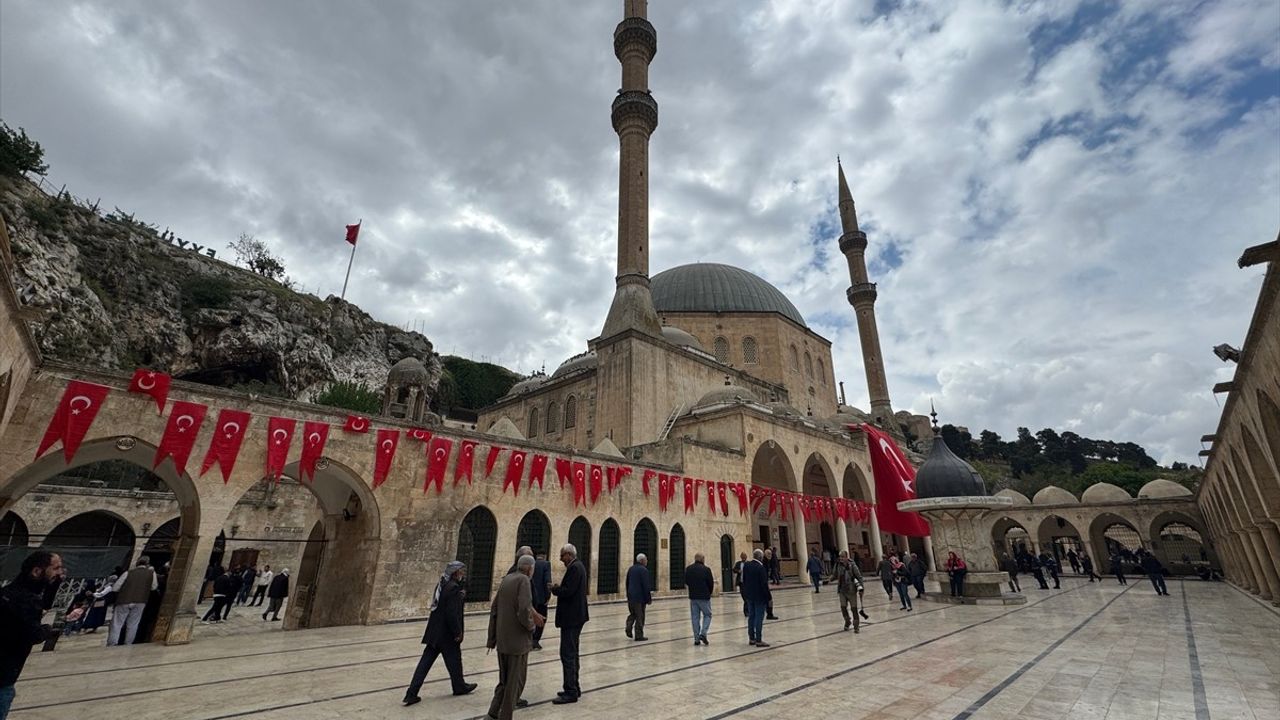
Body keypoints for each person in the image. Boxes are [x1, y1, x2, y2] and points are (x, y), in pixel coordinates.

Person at [403, 561, 477, 705]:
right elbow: (451, 613)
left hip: (435, 632)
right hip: (446, 634)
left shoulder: (442, 585)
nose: (463, 574)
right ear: (456, 573)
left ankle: (412, 692)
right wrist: (457, 631)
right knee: (454, 660)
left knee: (425, 663)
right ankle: (459, 686)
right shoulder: (453, 588)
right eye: (461, 571)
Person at [1, 551, 64, 718]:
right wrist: (47, 629)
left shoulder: (7, 591)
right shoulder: (28, 601)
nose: (59, 573)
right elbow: (34, 634)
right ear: (37, 571)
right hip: (4, 674)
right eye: (56, 568)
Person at [486, 555, 544, 720]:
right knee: (515, 682)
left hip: (503, 641)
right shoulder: (524, 581)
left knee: (504, 681)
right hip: (518, 643)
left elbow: (494, 609)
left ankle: (492, 712)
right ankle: (506, 716)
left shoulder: (507, 579)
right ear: (529, 568)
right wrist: (532, 626)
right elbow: (524, 609)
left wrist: (492, 638)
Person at [550, 544, 588, 705]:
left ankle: (570, 691)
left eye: (562, 555)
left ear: (569, 555)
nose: (560, 559)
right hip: (576, 617)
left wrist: (556, 589)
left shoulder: (575, 568)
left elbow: (569, 591)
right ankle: (574, 687)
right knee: (573, 652)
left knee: (567, 654)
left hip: (572, 618)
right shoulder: (578, 566)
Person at [108, 556, 157, 645]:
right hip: (141, 601)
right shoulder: (151, 573)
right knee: (133, 624)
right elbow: (154, 587)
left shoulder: (128, 573)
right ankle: (128, 643)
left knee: (117, 623)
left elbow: (115, 588)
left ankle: (112, 643)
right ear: (147, 564)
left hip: (124, 600)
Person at [741, 549, 772, 647]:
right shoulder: (761, 568)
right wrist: (769, 598)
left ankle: (751, 638)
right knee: (759, 617)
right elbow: (764, 584)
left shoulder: (747, 565)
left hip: (749, 596)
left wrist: (746, 593)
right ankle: (758, 639)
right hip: (759, 597)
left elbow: (744, 580)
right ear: (761, 557)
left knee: (751, 617)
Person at [684, 553, 716, 645]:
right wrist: (709, 593)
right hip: (704, 597)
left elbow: (686, 581)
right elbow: (710, 583)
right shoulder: (706, 569)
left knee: (695, 617)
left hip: (693, 596)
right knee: (708, 615)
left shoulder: (689, 569)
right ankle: (703, 633)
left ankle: (696, 639)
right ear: (702, 559)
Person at [832, 550, 864, 632]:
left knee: (854, 608)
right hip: (842, 590)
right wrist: (829, 579)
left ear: (846, 557)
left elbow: (859, 576)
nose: (841, 558)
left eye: (842, 557)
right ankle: (847, 621)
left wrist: (861, 588)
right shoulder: (838, 565)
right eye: (840, 557)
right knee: (843, 607)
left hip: (851, 590)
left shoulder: (852, 565)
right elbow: (835, 575)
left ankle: (856, 625)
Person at [624, 554, 651, 641]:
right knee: (640, 616)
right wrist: (648, 599)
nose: (647, 561)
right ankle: (639, 635)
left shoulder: (631, 569)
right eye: (646, 559)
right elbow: (646, 586)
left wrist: (628, 594)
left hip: (631, 596)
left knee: (633, 614)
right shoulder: (644, 570)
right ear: (642, 560)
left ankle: (628, 626)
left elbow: (627, 583)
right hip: (640, 598)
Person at [531, 552, 552, 651]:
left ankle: (529, 639)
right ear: (544, 557)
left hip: (531, 598)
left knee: (531, 619)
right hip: (541, 599)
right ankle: (535, 641)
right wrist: (548, 596)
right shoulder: (546, 564)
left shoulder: (531, 563)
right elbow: (547, 580)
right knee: (541, 619)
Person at [732, 552, 748, 617]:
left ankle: (747, 611)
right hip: (741, 583)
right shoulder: (738, 563)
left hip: (747, 583)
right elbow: (733, 569)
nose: (743, 558)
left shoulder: (748, 564)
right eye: (742, 557)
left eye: (744, 557)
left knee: (747, 598)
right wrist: (738, 571)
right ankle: (746, 611)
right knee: (745, 597)